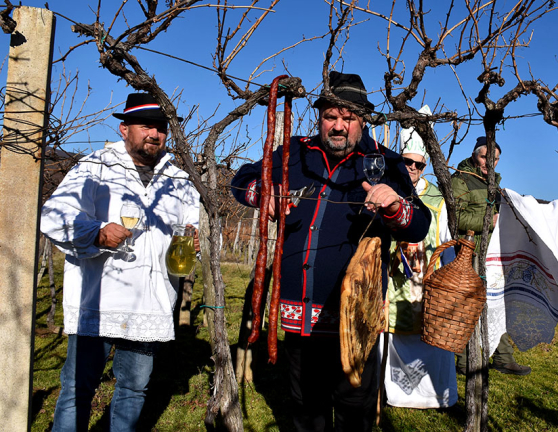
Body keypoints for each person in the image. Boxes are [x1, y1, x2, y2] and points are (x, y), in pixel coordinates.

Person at [231, 71, 431, 431]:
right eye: (330, 116)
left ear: (363, 119)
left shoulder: (385, 162)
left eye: (348, 118)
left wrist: (394, 206)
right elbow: (241, 178)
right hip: (299, 318)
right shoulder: (295, 153)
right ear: (320, 117)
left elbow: (419, 223)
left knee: (355, 412)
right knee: (306, 410)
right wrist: (262, 193)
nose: (338, 126)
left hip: (355, 319)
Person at [40, 93, 201, 431]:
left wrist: (194, 243)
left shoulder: (181, 181)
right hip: (99, 300)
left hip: (148, 302)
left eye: (161, 128)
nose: (154, 134)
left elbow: (190, 229)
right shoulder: (94, 168)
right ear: (124, 128)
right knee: (77, 388)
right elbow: (54, 217)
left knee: (133, 388)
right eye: (146, 126)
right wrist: (96, 233)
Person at [381, 107, 458, 408]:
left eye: (418, 164)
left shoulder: (438, 199)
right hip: (392, 281)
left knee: (430, 339)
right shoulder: (387, 191)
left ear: (425, 166)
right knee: (391, 335)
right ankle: (394, 394)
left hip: (425, 283)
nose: (412, 168)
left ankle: (432, 396)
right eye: (407, 163)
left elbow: (446, 243)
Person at [451, 136, 531, 376]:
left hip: (493, 253)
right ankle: (466, 361)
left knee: (498, 302)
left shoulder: (495, 184)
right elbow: (455, 219)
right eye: (485, 157)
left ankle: (503, 357)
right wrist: (491, 221)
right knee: (470, 305)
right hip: (470, 252)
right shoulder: (460, 180)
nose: (490, 163)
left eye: (495, 159)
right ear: (475, 155)